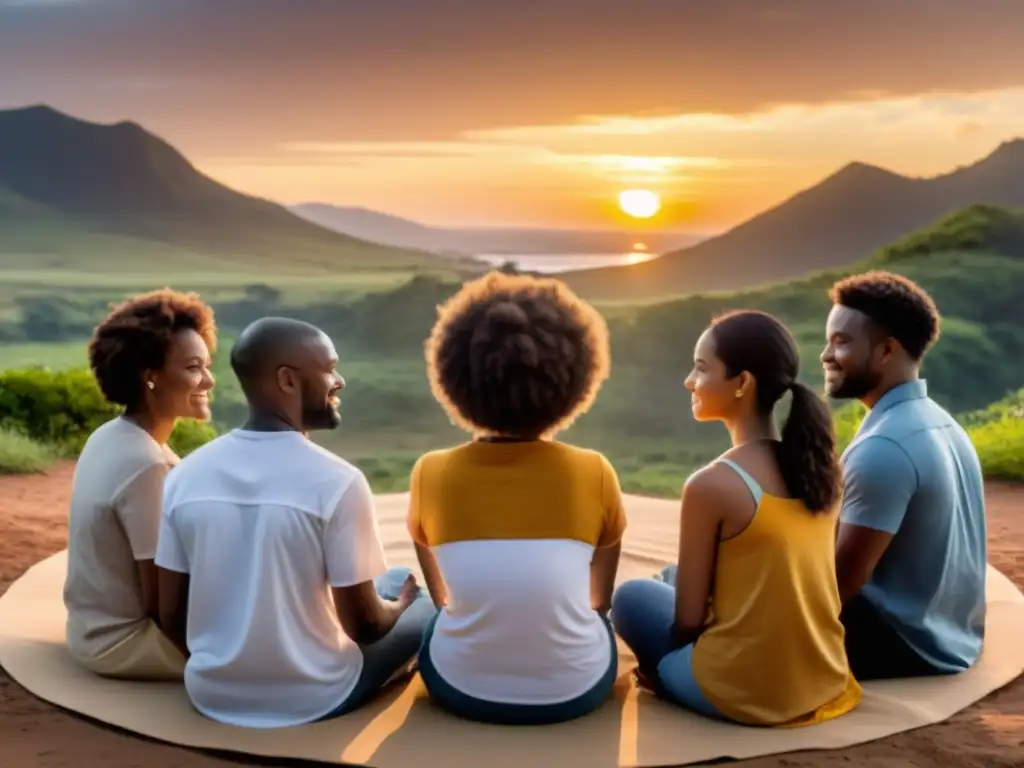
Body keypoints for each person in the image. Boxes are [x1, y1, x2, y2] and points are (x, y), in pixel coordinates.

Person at [154, 316, 436, 728]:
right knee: (421, 601)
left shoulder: (184, 475)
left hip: (211, 692)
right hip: (313, 695)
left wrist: (230, 667)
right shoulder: (338, 481)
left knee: (390, 578)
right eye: (328, 368)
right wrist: (401, 607)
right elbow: (367, 626)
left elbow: (171, 615)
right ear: (287, 380)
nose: (338, 381)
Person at [612, 310, 862, 727]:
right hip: (822, 676)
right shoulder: (821, 468)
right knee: (672, 577)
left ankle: (666, 679)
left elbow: (688, 623)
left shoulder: (712, 485)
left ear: (742, 383)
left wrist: (702, 627)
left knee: (632, 598)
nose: (689, 381)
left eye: (701, 368)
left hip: (741, 688)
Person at [409, 272, 625, 725]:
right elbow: (599, 600)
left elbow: (441, 598)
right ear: (575, 377)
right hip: (576, 692)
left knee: (422, 615)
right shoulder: (595, 471)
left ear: (454, 376)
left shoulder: (430, 472)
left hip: (459, 689)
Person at [823, 270, 987, 680]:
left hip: (903, 645)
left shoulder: (885, 446)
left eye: (841, 342)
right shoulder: (939, 422)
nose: (826, 355)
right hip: (951, 633)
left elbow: (837, 589)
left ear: (886, 351)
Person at [63, 288, 217, 681]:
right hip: (127, 643)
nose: (209, 380)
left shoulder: (111, 435)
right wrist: (225, 657)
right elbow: (165, 608)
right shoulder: (147, 465)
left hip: (88, 630)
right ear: (151, 377)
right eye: (194, 368)